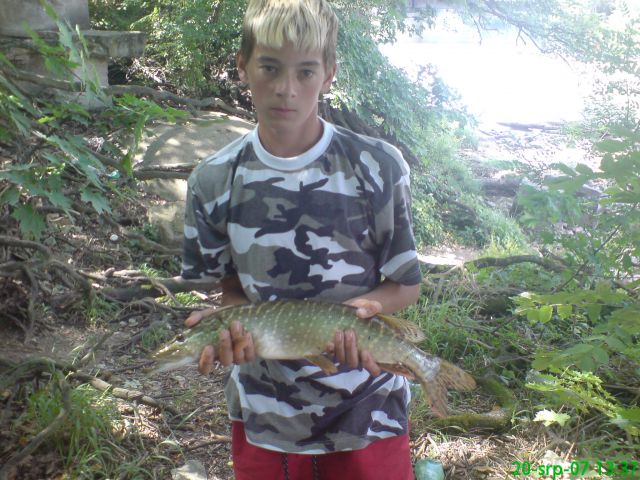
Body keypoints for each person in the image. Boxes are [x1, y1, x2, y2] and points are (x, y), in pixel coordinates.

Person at [181, 0, 422, 478]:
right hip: (266, 414)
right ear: (243, 66)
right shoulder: (212, 180)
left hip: (368, 410)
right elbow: (231, 289)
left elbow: (405, 284)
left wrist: (362, 313)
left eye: (305, 72)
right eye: (269, 68)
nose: (286, 89)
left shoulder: (378, 165)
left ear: (329, 75)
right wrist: (232, 328)